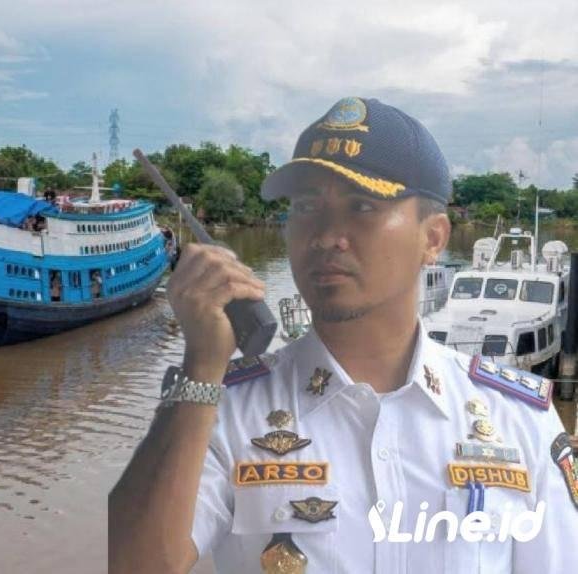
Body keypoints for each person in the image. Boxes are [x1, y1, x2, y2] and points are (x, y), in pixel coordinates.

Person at [109, 97, 578, 573]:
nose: (327, 235)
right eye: (309, 207)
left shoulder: (519, 421)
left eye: (363, 207)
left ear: (433, 238)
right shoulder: (222, 410)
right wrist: (201, 366)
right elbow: (135, 565)